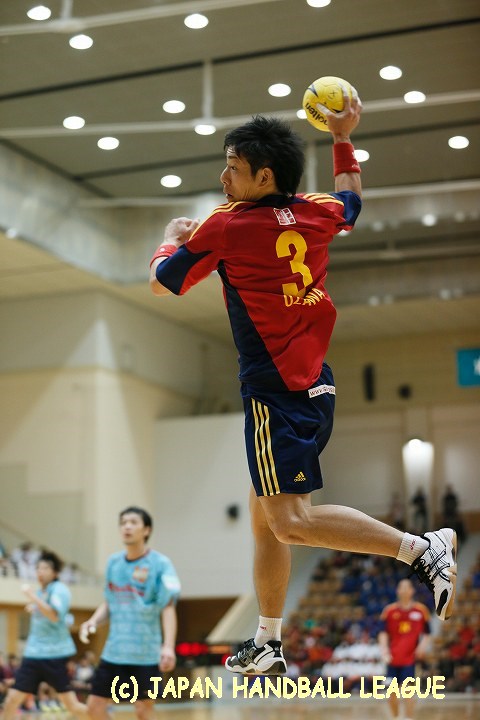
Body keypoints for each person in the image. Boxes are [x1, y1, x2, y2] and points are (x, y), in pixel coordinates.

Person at [148, 90, 457, 675]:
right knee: (265, 514)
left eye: (233, 168)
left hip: (274, 392)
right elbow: (351, 200)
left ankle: (422, 549)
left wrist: (171, 237)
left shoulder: (226, 226)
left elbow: (164, 282)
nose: (223, 178)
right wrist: (343, 137)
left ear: (264, 176)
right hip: (317, 384)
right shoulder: (315, 212)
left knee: (290, 521)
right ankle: (268, 638)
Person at [80, 507, 180, 720]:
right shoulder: (113, 563)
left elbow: (168, 606)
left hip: (146, 654)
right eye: (123, 522)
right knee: (94, 707)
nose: (127, 526)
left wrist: (168, 646)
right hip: (114, 651)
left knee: (143, 710)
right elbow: (110, 602)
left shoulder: (160, 564)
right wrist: (93, 621)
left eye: (133, 522)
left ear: (146, 530)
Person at [1, 551, 87, 719]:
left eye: (45, 568)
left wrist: (32, 597)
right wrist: (36, 605)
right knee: (12, 699)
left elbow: (54, 615)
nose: (40, 572)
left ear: (55, 572)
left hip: (54, 655)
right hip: (33, 654)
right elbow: (44, 610)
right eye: (38, 568)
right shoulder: (42, 592)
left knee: (71, 705)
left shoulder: (59, 590)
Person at [378, 579, 431, 720]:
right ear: (398, 591)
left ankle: (408, 718)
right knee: (391, 694)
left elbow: (427, 633)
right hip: (393, 658)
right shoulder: (389, 611)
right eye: (402, 587)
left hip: (410, 659)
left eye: (407, 587)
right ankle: (396, 717)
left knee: (408, 691)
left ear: (412, 591)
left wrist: (422, 647)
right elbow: (382, 633)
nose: (405, 590)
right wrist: (384, 649)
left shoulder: (421, 610)